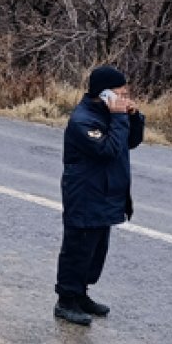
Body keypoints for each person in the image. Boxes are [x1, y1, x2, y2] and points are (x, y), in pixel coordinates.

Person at [54, 65, 145, 326]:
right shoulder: (83, 120)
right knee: (77, 249)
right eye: (120, 92)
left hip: (105, 194)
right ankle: (66, 301)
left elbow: (131, 142)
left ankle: (81, 294)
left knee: (95, 251)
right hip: (85, 194)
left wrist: (133, 116)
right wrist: (118, 118)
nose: (125, 94)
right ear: (104, 94)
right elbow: (109, 150)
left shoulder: (110, 115)